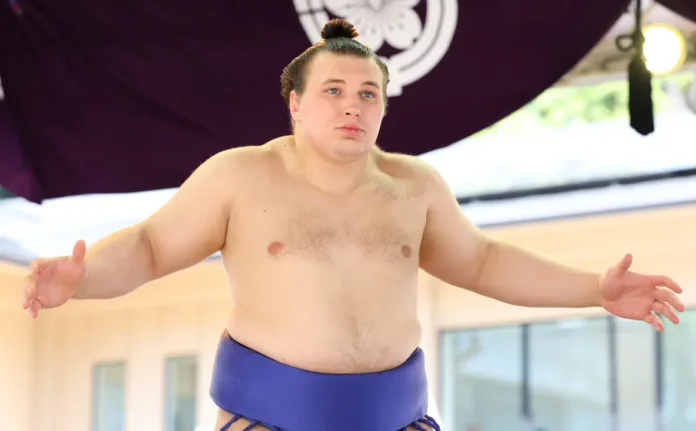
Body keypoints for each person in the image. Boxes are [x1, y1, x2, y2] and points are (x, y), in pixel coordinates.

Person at [22, 18, 684, 431]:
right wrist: (83, 279)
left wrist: (594, 289)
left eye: (369, 93)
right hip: (267, 419)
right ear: (296, 104)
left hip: (399, 419)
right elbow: (148, 247)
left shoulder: (414, 187)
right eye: (334, 91)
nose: (353, 106)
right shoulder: (240, 176)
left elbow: (482, 262)